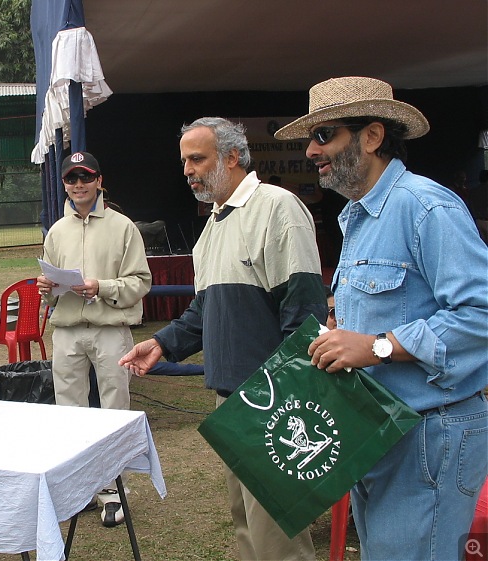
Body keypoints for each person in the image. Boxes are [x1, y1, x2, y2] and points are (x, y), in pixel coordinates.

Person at [274, 76, 488, 561]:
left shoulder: (424, 207)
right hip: (380, 433)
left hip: (429, 435)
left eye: (323, 135)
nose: (310, 150)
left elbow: (481, 313)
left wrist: (379, 346)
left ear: (371, 137)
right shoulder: (358, 217)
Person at [120, 117, 326, 560]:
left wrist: (285, 397)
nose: (188, 170)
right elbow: (204, 310)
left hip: (272, 402)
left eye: (197, 158)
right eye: (184, 162)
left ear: (232, 157)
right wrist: (162, 343)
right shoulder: (213, 225)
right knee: (248, 527)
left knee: (278, 539)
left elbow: (304, 314)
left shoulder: (278, 208)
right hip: (231, 400)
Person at [36, 151, 151, 527]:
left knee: (114, 412)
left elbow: (140, 282)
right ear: (65, 184)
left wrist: (100, 287)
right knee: (70, 414)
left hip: (110, 329)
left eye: (86, 177)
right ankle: (79, 490)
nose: (79, 184)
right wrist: (45, 287)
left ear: (100, 181)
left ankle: (114, 492)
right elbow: (50, 291)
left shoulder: (122, 227)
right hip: (68, 331)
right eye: (72, 179)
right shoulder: (56, 231)